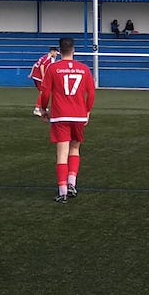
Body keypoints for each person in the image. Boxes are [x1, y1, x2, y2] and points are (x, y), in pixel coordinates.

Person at [39, 38, 96, 203]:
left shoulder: (53, 68)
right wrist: (87, 111)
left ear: (59, 50)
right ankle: (72, 183)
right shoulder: (84, 69)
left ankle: (62, 192)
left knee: (61, 153)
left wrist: (43, 109)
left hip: (60, 116)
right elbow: (91, 94)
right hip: (78, 115)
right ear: (74, 50)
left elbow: (45, 93)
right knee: (75, 149)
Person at [28, 46, 59, 116]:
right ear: (52, 52)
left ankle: (41, 107)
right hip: (39, 77)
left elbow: (35, 65)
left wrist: (31, 74)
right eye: (56, 52)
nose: (57, 54)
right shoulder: (49, 58)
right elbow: (42, 66)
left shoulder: (43, 57)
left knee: (44, 92)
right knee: (43, 92)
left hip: (35, 76)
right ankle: (37, 109)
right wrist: (44, 77)